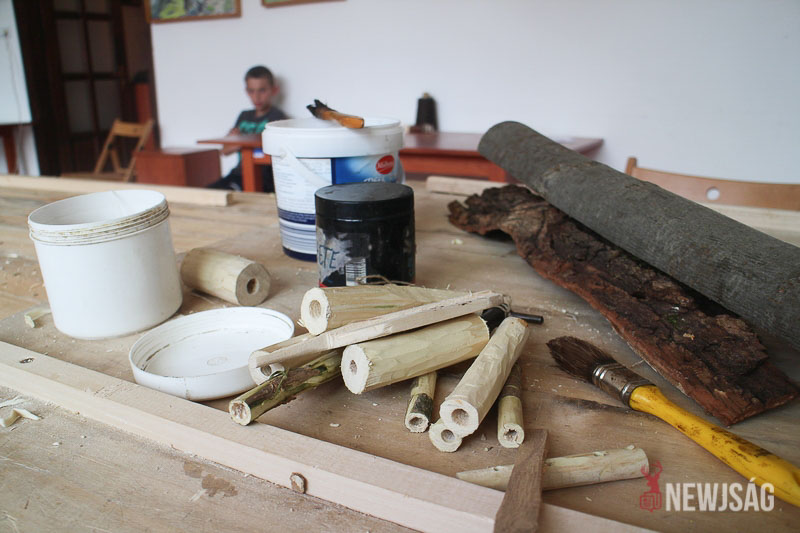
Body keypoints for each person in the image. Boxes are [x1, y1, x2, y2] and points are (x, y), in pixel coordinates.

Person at [208, 65, 287, 192]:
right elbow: (225, 150)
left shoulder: (277, 117)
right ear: (246, 91)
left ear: (274, 90)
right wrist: (245, 143)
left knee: (228, 193)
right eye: (251, 91)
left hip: (263, 177)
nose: (256, 97)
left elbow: (271, 150)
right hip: (238, 173)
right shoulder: (244, 115)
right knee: (207, 192)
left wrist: (239, 141)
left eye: (262, 90)